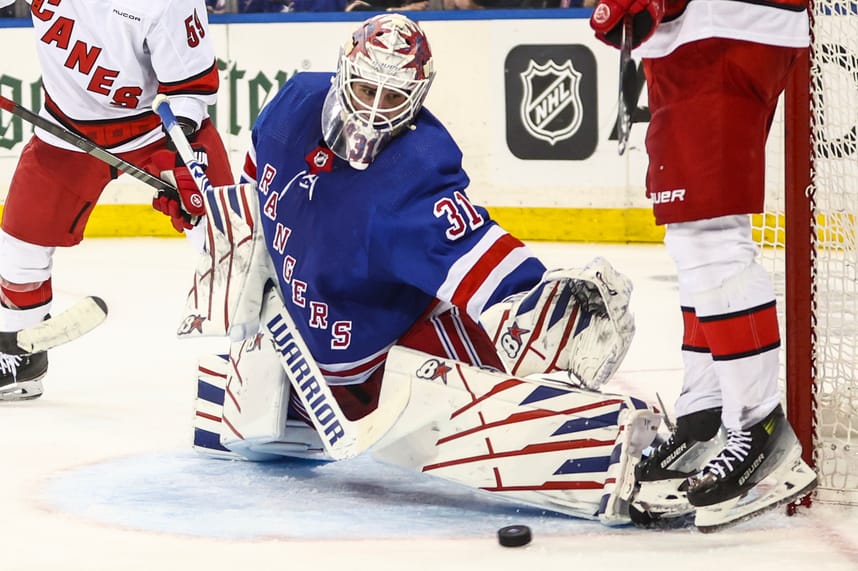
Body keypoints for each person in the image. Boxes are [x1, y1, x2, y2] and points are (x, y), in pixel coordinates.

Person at [181, 13, 656, 525]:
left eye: (392, 97)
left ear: (417, 96)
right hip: (374, 373)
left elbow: (487, 268)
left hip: (311, 363)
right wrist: (557, 316)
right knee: (500, 333)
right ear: (344, 72)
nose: (374, 110)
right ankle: (586, 443)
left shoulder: (303, 112)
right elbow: (255, 199)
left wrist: (537, 296)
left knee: (502, 313)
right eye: (366, 89)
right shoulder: (377, 158)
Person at [589, 0, 818, 530]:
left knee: (710, 236)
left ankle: (760, 431)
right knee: (693, 238)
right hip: (700, 31)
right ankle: (704, 413)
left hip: (721, 26)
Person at [0, 0, 234, 401]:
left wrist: (184, 157)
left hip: (156, 129)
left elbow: (190, 91)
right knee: (19, 246)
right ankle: (19, 358)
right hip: (65, 127)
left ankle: (259, 351)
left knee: (228, 236)